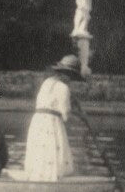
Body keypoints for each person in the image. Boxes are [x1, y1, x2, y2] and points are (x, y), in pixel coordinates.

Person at [24, 54, 84, 182]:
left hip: (38, 121)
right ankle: (51, 182)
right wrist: (76, 113)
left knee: (40, 153)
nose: (71, 80)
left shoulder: (47, 82)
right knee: (52, 152)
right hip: (51, 123)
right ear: (68, 74)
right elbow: (65, 114)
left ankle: (37, 179)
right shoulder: (64, 88)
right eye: (71, 77)